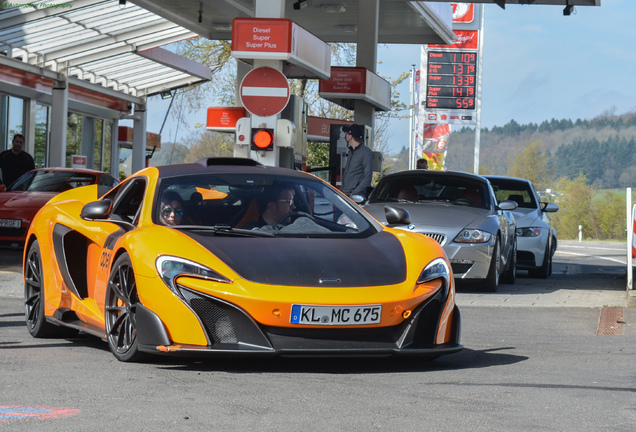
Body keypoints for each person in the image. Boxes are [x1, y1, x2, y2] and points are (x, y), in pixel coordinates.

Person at [340, 124, 373, 198]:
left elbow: (368, 177)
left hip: (355, 197)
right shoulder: (351, 151)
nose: (345, 135)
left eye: (347, 133)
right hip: (345, 194)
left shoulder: (366, 153)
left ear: (350, 136)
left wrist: (354, 193)